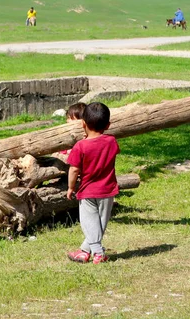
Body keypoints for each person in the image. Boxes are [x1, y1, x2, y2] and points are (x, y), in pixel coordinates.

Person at [66, 102, 120, 264]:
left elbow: (74, 170)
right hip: (108, 190)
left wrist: (70, 187)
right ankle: (84, 251)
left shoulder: (80, 146)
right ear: (108, 125)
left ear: (83, 123)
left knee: (89, 223)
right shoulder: (112, 141)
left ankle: (98, 253)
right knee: (100, 223)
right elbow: (101, 146)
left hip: (88, 191)